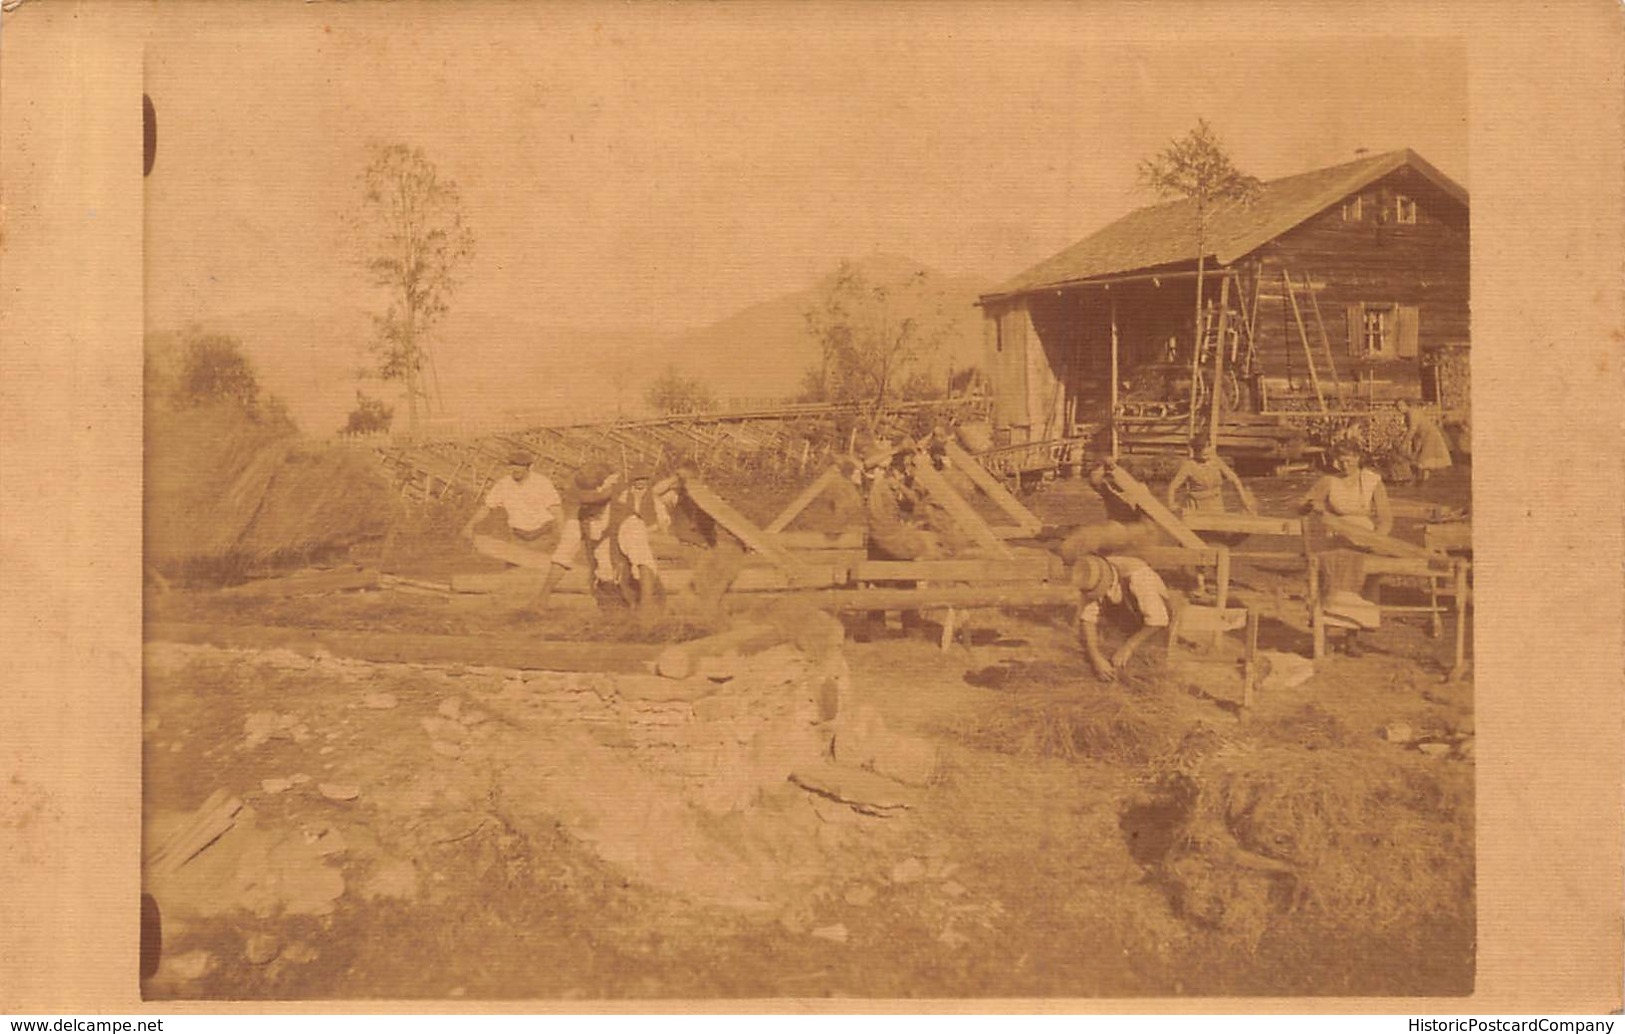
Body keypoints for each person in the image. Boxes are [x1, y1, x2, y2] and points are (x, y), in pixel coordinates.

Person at [1298, 440, 1392, 656]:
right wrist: (1309, 505)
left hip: (1364, 537)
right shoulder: (1328, 481)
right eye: (1341, 460)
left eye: (1350, 459)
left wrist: (1376, 539)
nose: (1345, 464)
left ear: (1358, 458)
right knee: (1330, 584)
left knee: (1359, 586)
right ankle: (1323, 638)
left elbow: (1386, 518)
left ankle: (1352, 639)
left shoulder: (1372, 481)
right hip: (1335, 537)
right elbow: (1300, 505)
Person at [1069, 552, 1176, 682]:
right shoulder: (1090, 575)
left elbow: (1158, 619)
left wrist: (1128, 647)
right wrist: (1095, 657)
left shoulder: (1139, 577)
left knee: (1150, 670)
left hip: (1156, 622)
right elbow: (1087, 619)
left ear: (1106, 583)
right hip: (1126, 617)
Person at [461, 450, 562, 544]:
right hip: (518, 534)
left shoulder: (541, 483)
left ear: (530, 467)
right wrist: (470, 526)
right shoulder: (504, 484)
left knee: (537, 561)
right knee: (513, 560)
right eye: (513, 465)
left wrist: (559, 535)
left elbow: (556, 509)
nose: (515, 468)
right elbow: (487, 507)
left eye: (520, 465)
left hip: (542, 533)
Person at [1166, 434, 1257, 516]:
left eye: (1207, 449)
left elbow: (1234, 479)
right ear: (1195, 452)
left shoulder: (1216, 461)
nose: (1205, 454)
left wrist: (1244, 500)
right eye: (1201, 451)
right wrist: (1172, 505)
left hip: (1216, 505)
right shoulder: (1189, 465)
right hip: (1197, 507)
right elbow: (1173, 487)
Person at [1396, 399, 1453, 483]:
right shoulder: (1406, 415)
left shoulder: (1412, 413)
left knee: (1424, 459)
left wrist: (1404, 443)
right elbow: (1411, 431)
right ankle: (1422, 480)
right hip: (1422, 437)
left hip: (1429, 435)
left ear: (1407, 405)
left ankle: (1422, 481)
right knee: (1419, 457)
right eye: (1397, 407)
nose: (1399, 408)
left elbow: (1412, 429)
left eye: (1401, 405)